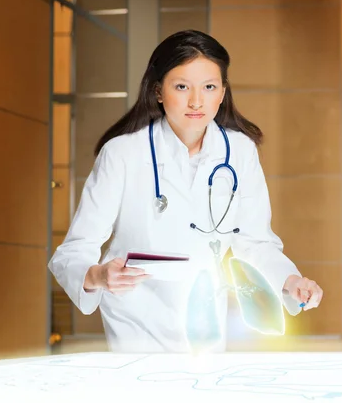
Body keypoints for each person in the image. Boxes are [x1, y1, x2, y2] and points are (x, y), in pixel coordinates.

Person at [48, 29, 323, 353]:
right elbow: (73, 251)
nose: (196, 101)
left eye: (209, 87)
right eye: (182, 87)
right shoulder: (122, 153)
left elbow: (254, 244)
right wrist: (98, 275)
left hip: (205, 324)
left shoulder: (240, 151)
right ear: (158, 92)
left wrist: (291, 283)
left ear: (222, 93)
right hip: (136, 322)